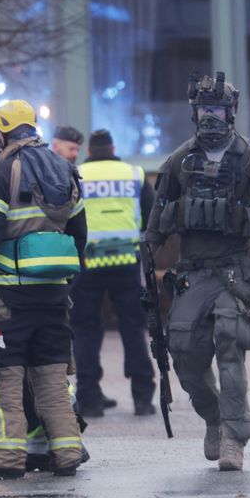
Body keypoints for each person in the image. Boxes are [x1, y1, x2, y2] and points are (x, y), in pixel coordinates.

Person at [144, 72, 250, 471]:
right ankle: (214, 417)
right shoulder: (181, 160)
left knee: (230, 346)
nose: (210, 117)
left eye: (217, 109)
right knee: (184, 356)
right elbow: (158, 220)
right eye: (203, 109)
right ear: (194, 113)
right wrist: (144, 258)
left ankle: (234, 436)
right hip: (193, 272)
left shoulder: (249, 159)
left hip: (236, 271)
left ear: (231, 112)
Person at [0, 99, 87, 480]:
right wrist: (65, 280)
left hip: (9, 298)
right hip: (53, 295)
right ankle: (67, 455)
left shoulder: (1, 171)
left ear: (1, 133)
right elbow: (80, 234)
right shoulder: (65, 168)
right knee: (52, 379)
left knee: (4, 381)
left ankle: (6, 460)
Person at [72, 129, 157, 418]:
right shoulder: (133, 174)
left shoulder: (77, 174)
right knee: (133, 328)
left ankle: (89, 399)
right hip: (126, 261)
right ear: (114, 148)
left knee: (85, 331)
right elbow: (152, 215)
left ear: (90, 152)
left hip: (87, 263)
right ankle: (143, 397)